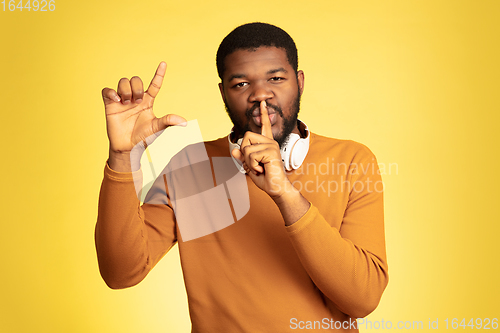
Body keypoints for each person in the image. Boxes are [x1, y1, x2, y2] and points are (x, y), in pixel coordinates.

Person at [96, 22, 388, 332]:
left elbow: (363, 298)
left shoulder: (352, 162)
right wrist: (123, 157)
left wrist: (285, 195)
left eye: (276, 78)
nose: (260, 94)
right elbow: (120, 273)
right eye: (241, 84)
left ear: (299, 82)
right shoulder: (190, 167)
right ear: (223, 92)